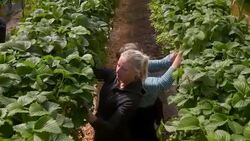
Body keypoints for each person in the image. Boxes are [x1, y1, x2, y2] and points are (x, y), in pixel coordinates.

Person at [118, 43, 182, 141]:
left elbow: (162, 63)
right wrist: (176, 63)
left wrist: (174, 56)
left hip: (146, 109)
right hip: (140, 115)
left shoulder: (137, 65)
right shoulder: (143, 84)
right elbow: (163, 83)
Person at [86, 49, 149, 141]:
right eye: (118, 65)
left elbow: (111, 127)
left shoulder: (132, 99)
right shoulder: (114, 76)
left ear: (137, 74)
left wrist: (90, 117)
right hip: (100, 129)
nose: (118, 71)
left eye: (124, 69)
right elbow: (94, 71)